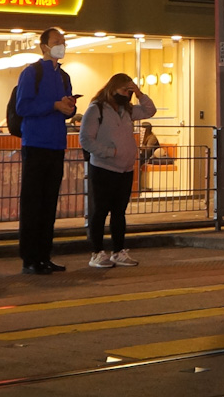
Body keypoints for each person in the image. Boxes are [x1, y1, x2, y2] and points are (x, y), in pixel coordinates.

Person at [79, 74, 156, 269]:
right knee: (100, 211)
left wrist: (139, 93)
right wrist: (109, 152)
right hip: (103, 167)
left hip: (125, 168)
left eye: (129, 92)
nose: (127, 95)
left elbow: (149, 110)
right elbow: (86, 139)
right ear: (112, 89)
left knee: (119, 212)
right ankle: (97, 252)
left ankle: (118, 251)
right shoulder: (96, 109)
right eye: (124, 91)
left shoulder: (127, 110)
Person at [16, 27, 76, 276]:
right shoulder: (32, 72)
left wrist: (69, 108)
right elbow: (22, 106)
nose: (61, 45)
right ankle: (30, 258)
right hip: (35, 144)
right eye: (56, 42)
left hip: (56, 144)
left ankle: (45, 255)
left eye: (63, 41)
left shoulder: (64, 76)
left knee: (49, 203)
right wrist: (53, 105)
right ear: (43, 47)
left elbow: (69, 108)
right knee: (33, 204)